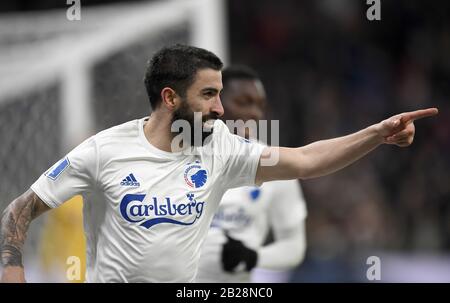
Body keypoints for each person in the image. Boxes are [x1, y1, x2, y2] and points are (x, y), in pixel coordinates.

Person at [0, 44, 438, 283]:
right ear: (170, 98)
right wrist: (13, 270)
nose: (222, 109)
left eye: (221, 95)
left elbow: (305, 160)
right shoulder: (102, 151)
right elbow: (18, 210)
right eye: (209, 95)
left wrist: (376, 134)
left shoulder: (219, 147)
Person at [196, 65, 307, 283]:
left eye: (260, 106)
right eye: (244, 102)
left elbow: (294, 246)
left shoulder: (276, 165)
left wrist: (252, 256)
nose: (255, 113)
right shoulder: (179, 159)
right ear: (215, 105)